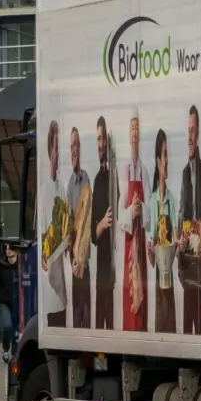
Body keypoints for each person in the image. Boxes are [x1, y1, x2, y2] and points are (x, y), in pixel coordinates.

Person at [177, 106, 201, 336]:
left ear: (198, 134)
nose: (190, 136)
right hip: (186, 261)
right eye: (188, 130)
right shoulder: (183, 174)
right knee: (187, 323)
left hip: (200, 263)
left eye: (193, 130)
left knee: (199, 321)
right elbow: (181, 212)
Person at [122, 114, 148, 333]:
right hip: (129, 248)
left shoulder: (145, 172)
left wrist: (142, 209)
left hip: (141, 247)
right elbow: (119, 218)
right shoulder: (124, 172)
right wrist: (131, 210)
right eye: (132, 128)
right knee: (129, 303)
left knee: (142, 310)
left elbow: (150, 214)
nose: (134, 132)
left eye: (137, 127)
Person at [91, 117, 117, 331]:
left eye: (103, 138)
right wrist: (101, 224)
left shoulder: (114, 175)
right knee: (102, 324)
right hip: (102, 268)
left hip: (116, 261)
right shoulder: (98, 180)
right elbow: (92, 232)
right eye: (98, 139)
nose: (100, 144)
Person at [150, 129, 177, 334]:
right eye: (165, 155)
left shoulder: (171, 200)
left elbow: (175, 238)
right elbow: (152, 257)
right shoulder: (153, 201)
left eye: (168, 155)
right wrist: (151, 250)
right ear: (158, 160)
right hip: (159, 281)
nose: (167, 160)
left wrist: (179, 245)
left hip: (170, 278)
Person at [67, 127, 92, 328]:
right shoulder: (69, 184)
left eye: (75, 145)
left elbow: (86, 221)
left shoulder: (86, 180)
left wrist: (81, 259)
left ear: (80, 148)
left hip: (84, 263)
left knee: (85, 312)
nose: (73, 150)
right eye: (70, 146)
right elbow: (70, 227)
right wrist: (72, 261)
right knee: (76, 317)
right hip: (74, 264)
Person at [43, 124, 67, 328]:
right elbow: (45, 233)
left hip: (63, 283)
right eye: (56, 148)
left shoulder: (62, 188)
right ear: (50, 151)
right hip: (50, 284)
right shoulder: (44, 191)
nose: (59, 154)